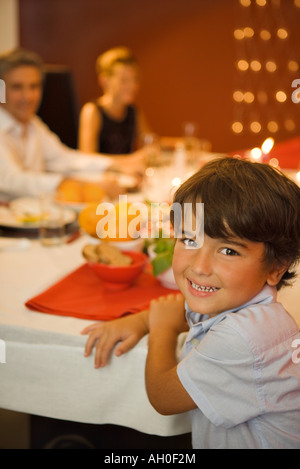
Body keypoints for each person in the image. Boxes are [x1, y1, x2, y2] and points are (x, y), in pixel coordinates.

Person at [82, 156, 300, 449]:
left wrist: (161, 329)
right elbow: (184, 313)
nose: (200, 267)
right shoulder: (245, 306)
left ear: (276, 267)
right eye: (188, 239)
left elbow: (164, 396)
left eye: (228, 251)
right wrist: (142, 319)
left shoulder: (245, 337)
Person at [0, 48, 145, 201]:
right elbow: (14, 181)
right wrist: (80, 185)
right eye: (17, 87)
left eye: (34, 86)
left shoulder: (33, 124)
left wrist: (114, 165)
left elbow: (65, 159)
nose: (27, 96)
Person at [78, 46, 150, 155]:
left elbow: (150, 143)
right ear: (104, 81)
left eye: (135, 79)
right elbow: (87, 158)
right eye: (124, 80)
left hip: (127, 172)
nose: (133, 86)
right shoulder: (92, 111)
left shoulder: (133, 111)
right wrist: (131, 161)